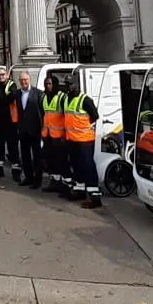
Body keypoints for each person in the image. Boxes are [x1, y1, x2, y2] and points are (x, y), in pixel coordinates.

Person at [64, 76, 102, 209]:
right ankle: (79, 191)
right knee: (76, 166)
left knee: (88, 167)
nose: (68, 87)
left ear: (77, 85)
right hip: (72, 140)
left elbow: (95, 116)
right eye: (67, 84)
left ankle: (94, 197)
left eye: (71, 84)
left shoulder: (85, 100)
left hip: (85, 140)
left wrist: (83, 127)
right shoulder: (67, 99)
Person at [40, 76, 68, 194]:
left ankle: (63, 185)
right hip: (48, 136)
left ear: (55, 84)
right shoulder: (44, 97)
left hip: (59, 137)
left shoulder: (61, 97)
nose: (48, 86)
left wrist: (65, 135)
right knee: (50, 161)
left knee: (61, 161)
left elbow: (68, 117)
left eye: (50, 84)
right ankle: (54, 182)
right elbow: (43, 115)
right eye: (46, 84)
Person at [16, 71, 44, 188]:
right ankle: (28, 177)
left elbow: (43, 113)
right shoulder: (16, 94)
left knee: (37, 156)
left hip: (35, 131)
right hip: (23, 131)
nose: (24, 82)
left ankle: (37, 180)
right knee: (25, 155)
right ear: (19, 81)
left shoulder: (38, 94)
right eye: (22, 80)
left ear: (30, 79)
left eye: (26, 79)